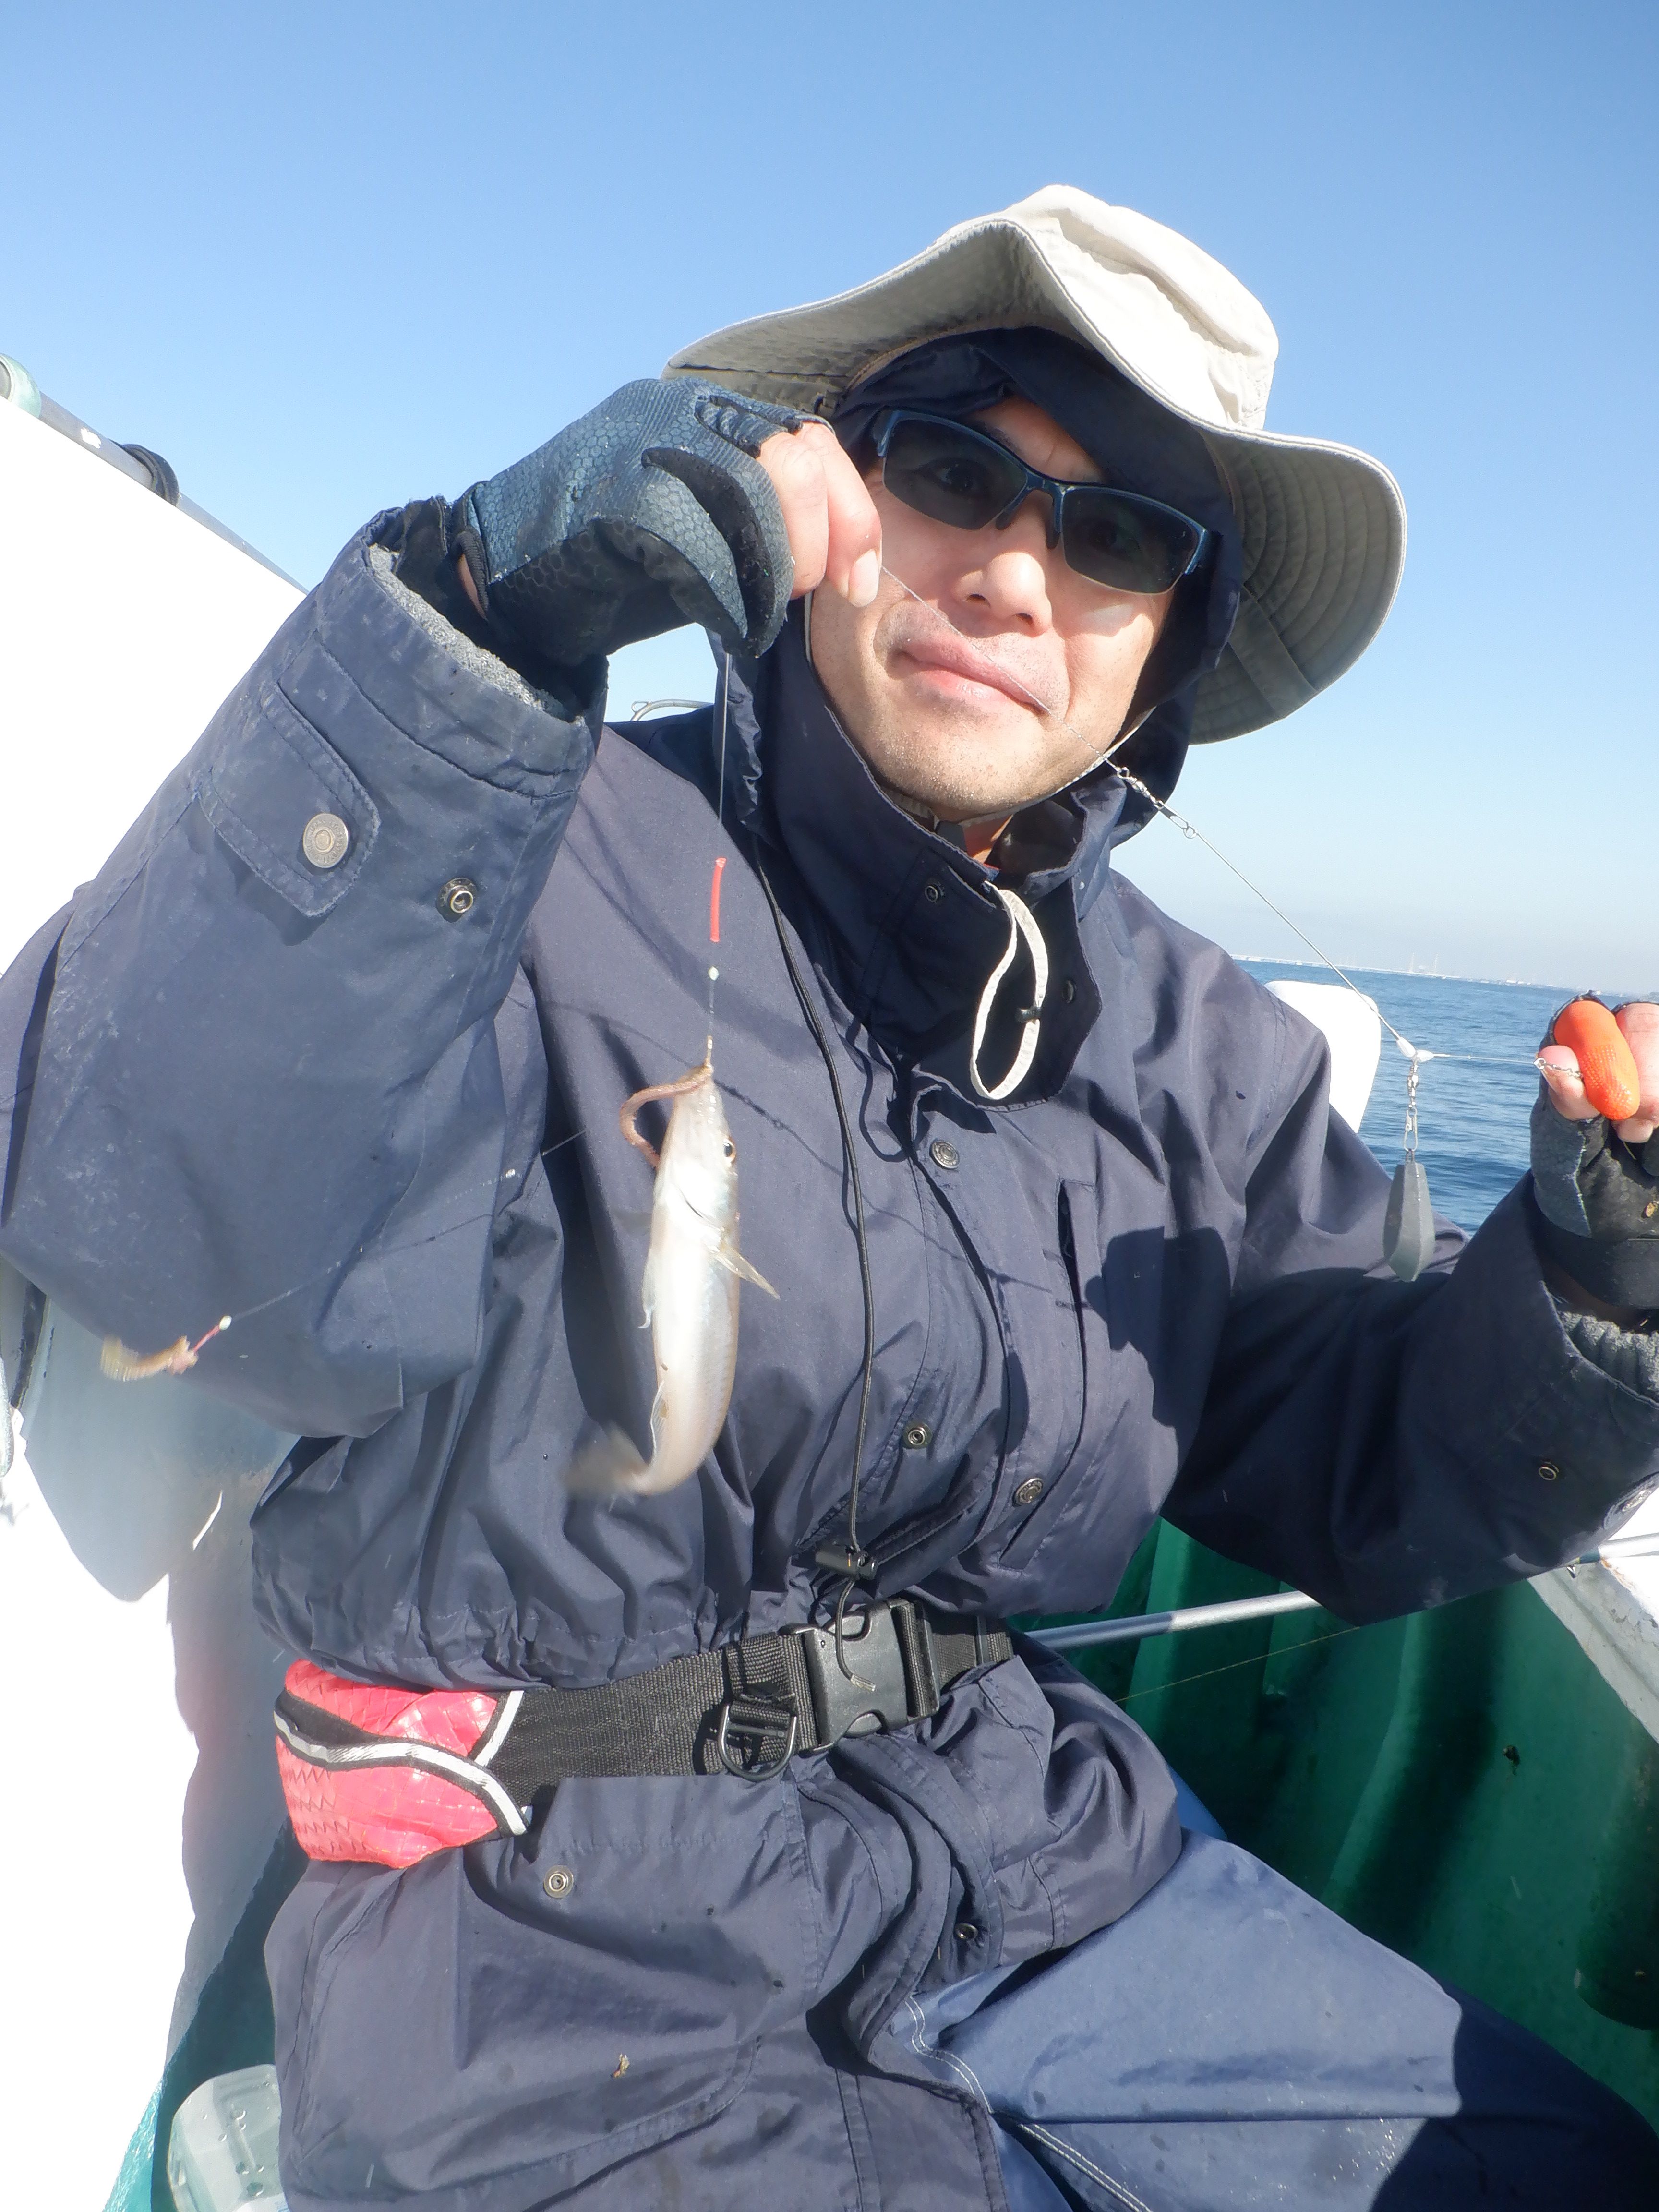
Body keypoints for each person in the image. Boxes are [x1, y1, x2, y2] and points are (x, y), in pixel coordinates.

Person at [3, 188, 1658, 2212]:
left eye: (1123, 536)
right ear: (824, 505)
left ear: (1170, 649)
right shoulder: (507, 845)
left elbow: (1364, 1460)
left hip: (1036, 1861)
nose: (1017, 571)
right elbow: (160, 1227)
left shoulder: (1200, 1047)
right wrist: (463, 630)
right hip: (537, 1964)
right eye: (951, 467)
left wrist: (1602, 1264)